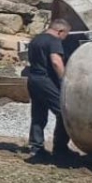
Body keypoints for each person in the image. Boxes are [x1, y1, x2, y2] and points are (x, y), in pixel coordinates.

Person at [26, 18, 73, 160]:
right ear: (60, 31)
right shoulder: (54, 41)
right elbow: (56, 61)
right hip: (46, 80)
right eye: (66, 34)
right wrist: (65, 81)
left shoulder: (36, 39)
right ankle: (60, 148)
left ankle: (36, 147)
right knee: (63, 113)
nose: (65, 38)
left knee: (38, 113)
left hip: (33, 79)